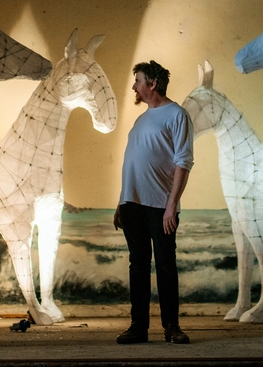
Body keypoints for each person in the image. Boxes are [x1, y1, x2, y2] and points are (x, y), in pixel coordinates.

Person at [113, 60, 194, 344]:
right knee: (138, 265)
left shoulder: (177, 115)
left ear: (152, 83)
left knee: (165, 265)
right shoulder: (141, 119)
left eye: (137, 81)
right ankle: (138, 327)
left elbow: (183, 162)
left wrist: (172, 205)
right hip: (131, 204)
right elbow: (133, 162)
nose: (134, 86)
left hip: (160, 205)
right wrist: (121, 202)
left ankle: (172, 327)